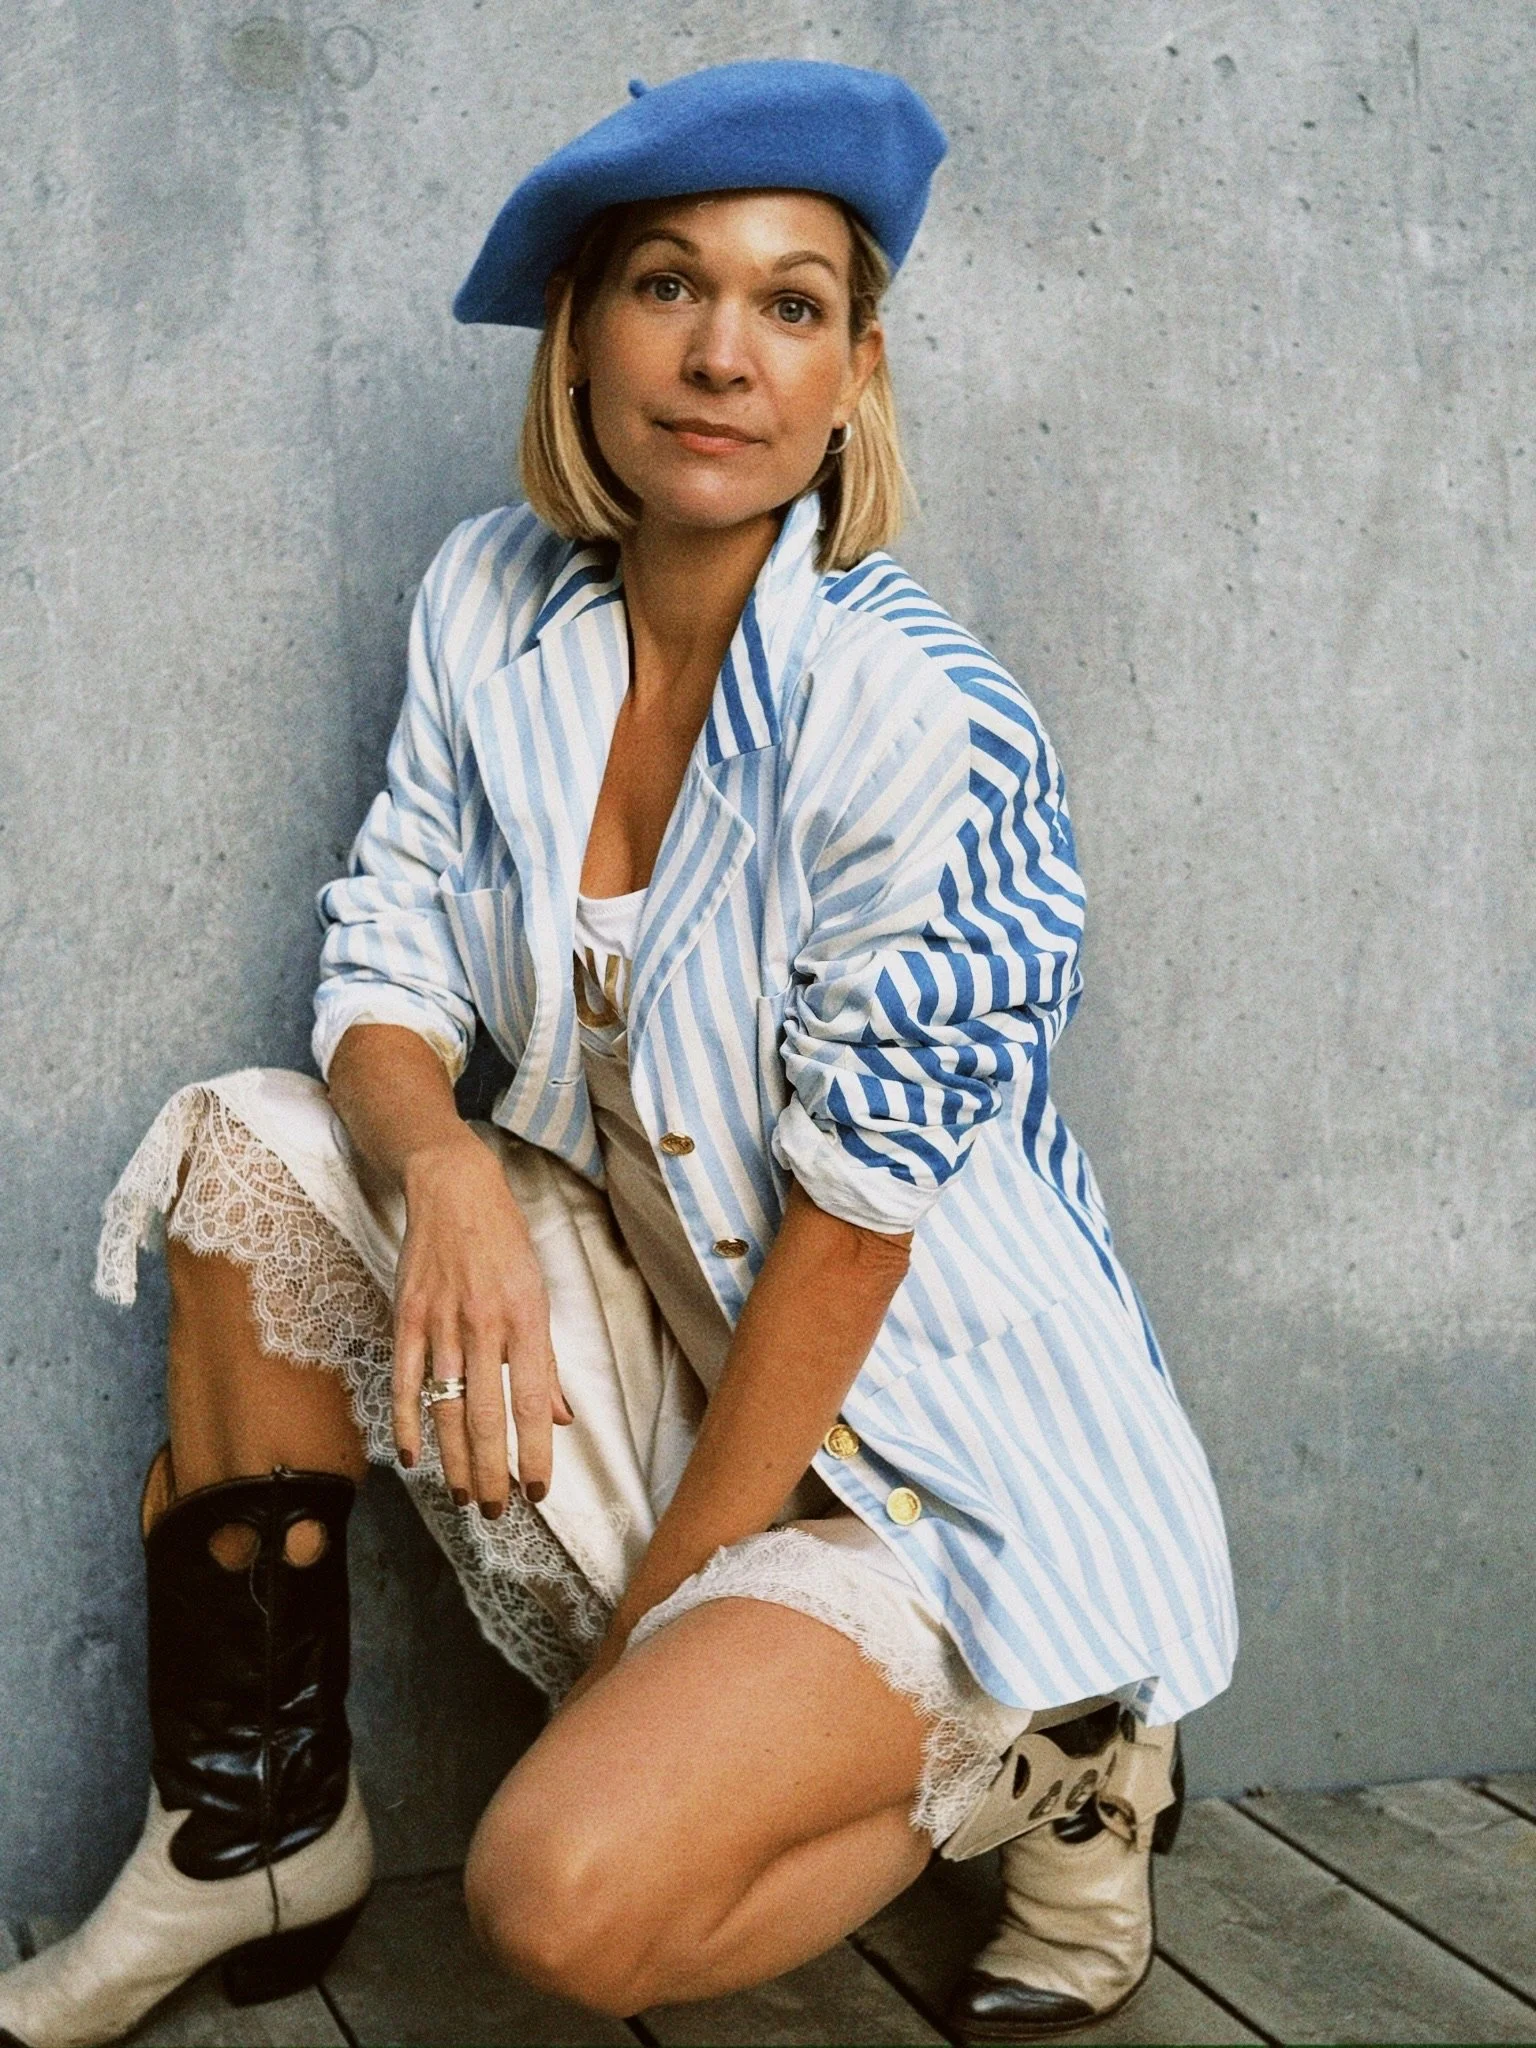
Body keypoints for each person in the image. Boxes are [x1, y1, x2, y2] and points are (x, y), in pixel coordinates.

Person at [0, 58, 1238, 2048]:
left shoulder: (921, 722)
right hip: (671, 1335)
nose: (723, 355)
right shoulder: (492, 601)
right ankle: (249, 1831)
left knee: (560, 1898)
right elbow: (385, 955)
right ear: (579, 336)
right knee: (246, 1146)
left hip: (922, 1450)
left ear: (854, 374)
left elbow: (857, 1226)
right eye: (669, 285)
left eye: (792, 304)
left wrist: (653, 1636)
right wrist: (444, 1164)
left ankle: (1058, 1745)